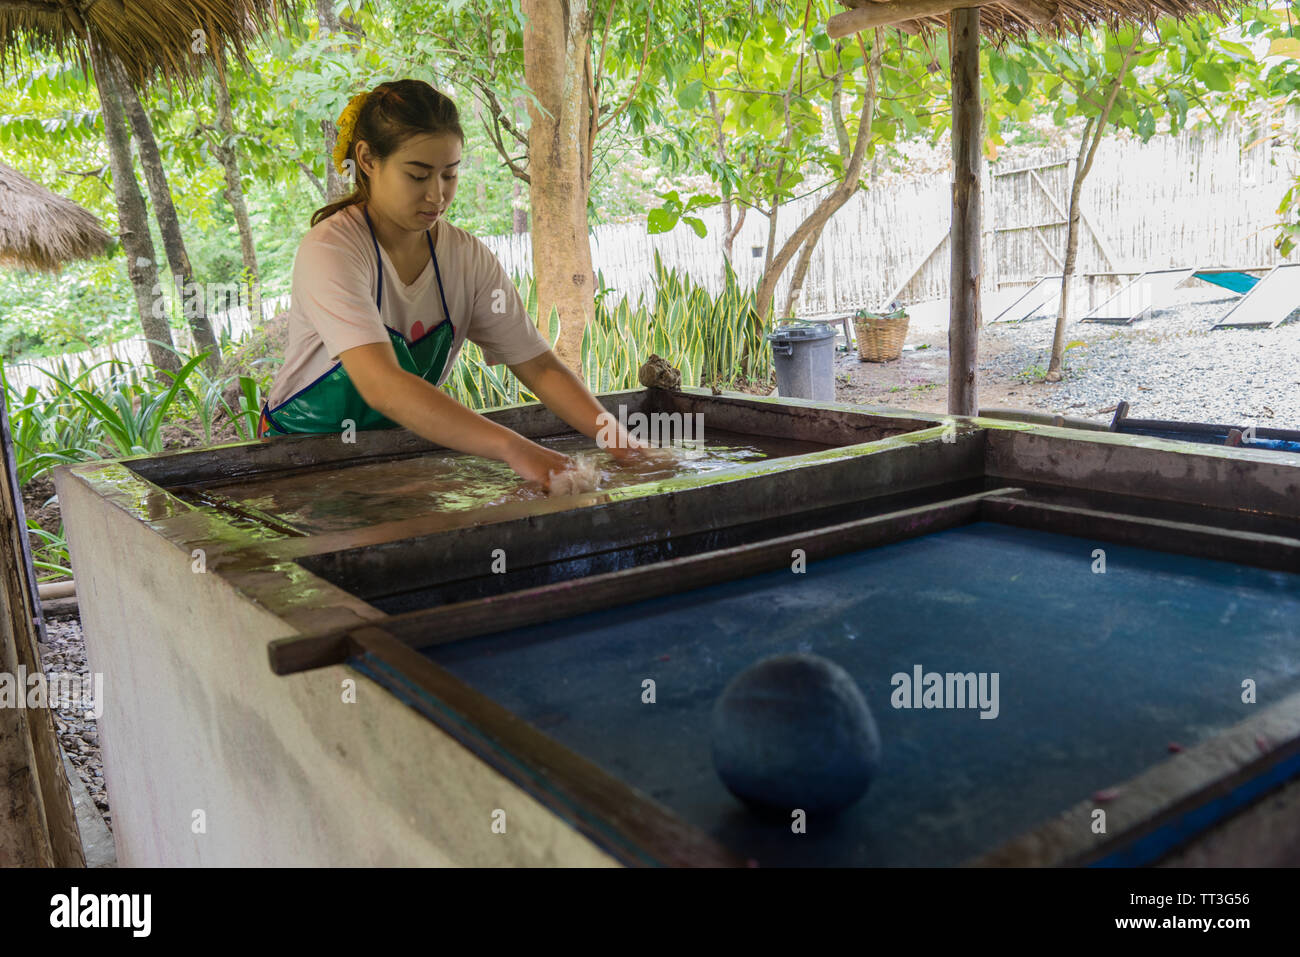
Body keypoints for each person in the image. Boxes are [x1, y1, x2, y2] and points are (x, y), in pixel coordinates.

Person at [258, 79, 646, 488]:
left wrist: (622, 444)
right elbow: (382, 385)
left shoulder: (466, 258)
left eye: (450, 175)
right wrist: (515, 448)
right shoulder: (332, 250)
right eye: (418, 175)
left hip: (400, 461)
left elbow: (539, 365)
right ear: (368, 160)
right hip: (299, 465)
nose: (437, 195)